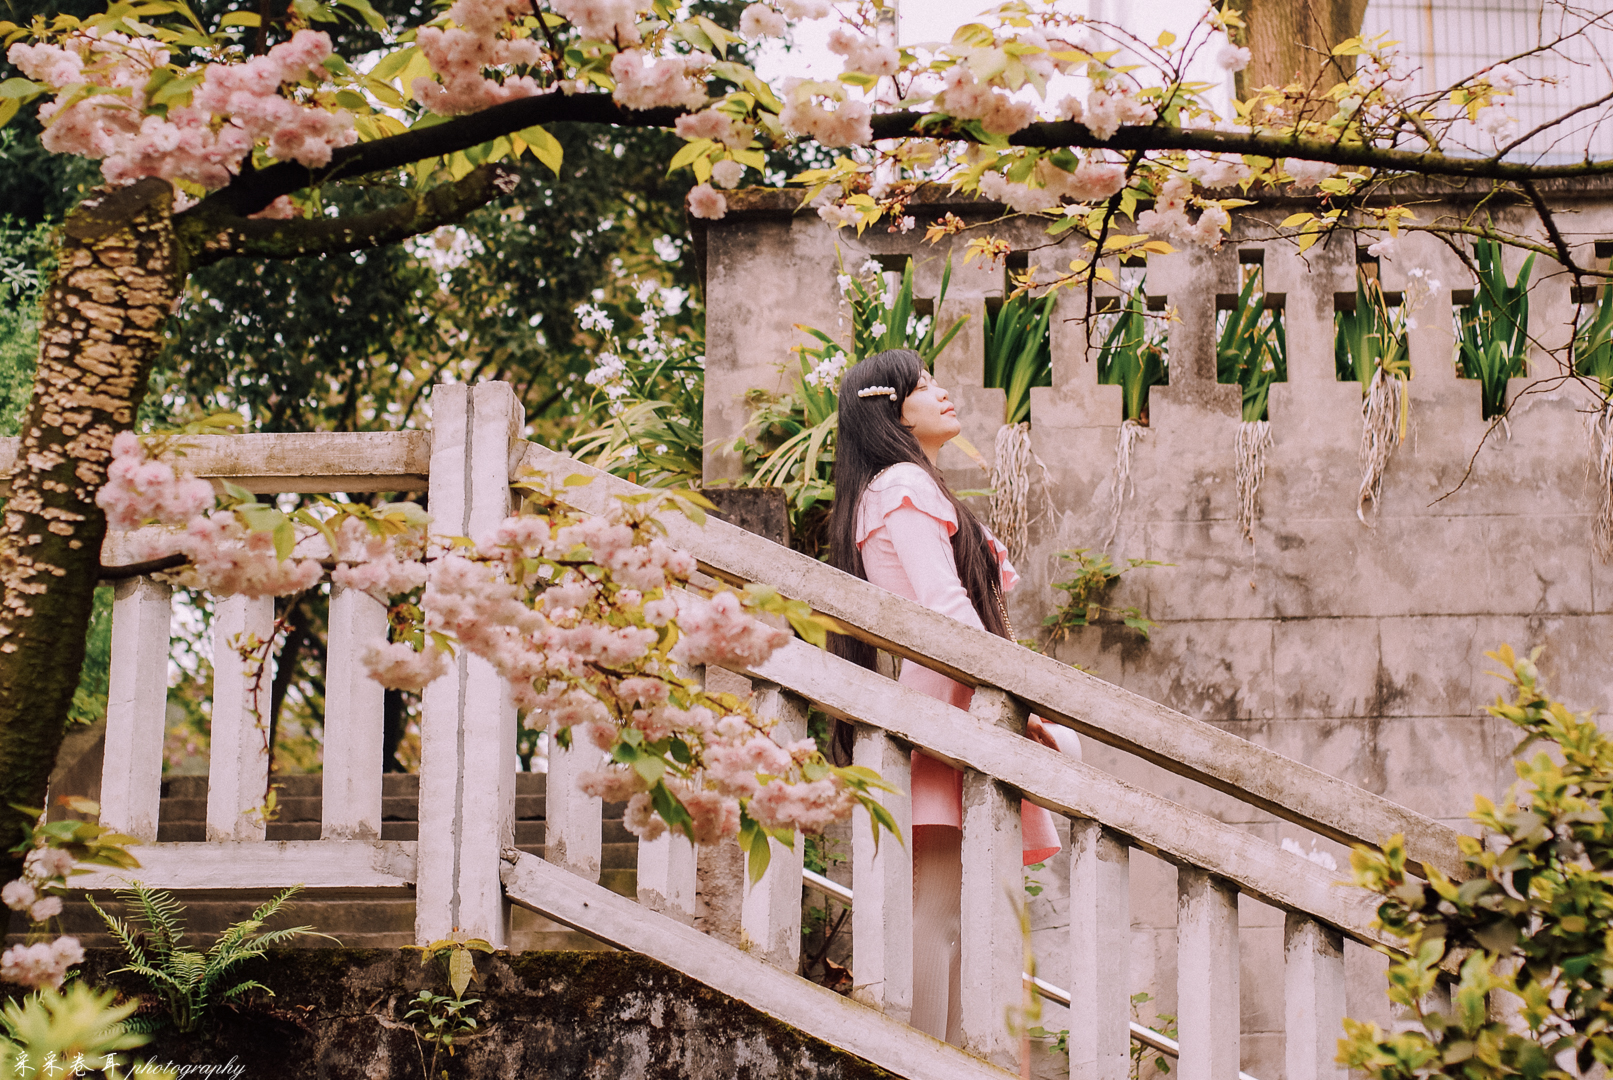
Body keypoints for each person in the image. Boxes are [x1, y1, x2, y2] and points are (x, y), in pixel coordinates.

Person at [827, 347, 1077, 1044]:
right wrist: (1015, 704)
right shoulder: (901, 483)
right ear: (888, 407)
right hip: (948, 709)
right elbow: (943, 608)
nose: (942, 392)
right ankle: (924, 1061)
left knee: (963, 917)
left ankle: (956, 1058)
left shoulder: (906, 486)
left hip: (951, 707)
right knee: (940, 918)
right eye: (922, 383)